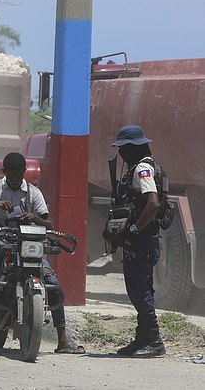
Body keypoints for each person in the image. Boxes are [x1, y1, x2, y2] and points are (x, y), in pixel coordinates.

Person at [0, 152, 84, 354]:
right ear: (4, 172)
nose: (16, 179)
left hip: (30, 242)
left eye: (19, 175)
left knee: (54, 285)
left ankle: (63, 340)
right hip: (3, 237)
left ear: (24, 172)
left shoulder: (34, 193)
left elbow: (48, 223)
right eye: (12, 175)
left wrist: (34, 217)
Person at [111, 125, 165, 357]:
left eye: (124, 148)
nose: (121, 153)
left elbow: (152, 203)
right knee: (142, 288)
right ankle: (142, 338)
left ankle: (154, 340)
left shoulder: (142, 168)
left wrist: (133, 228)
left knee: (138, 289)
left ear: (133, 148)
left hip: (141, 238)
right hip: (143, 237)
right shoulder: (141, 166)